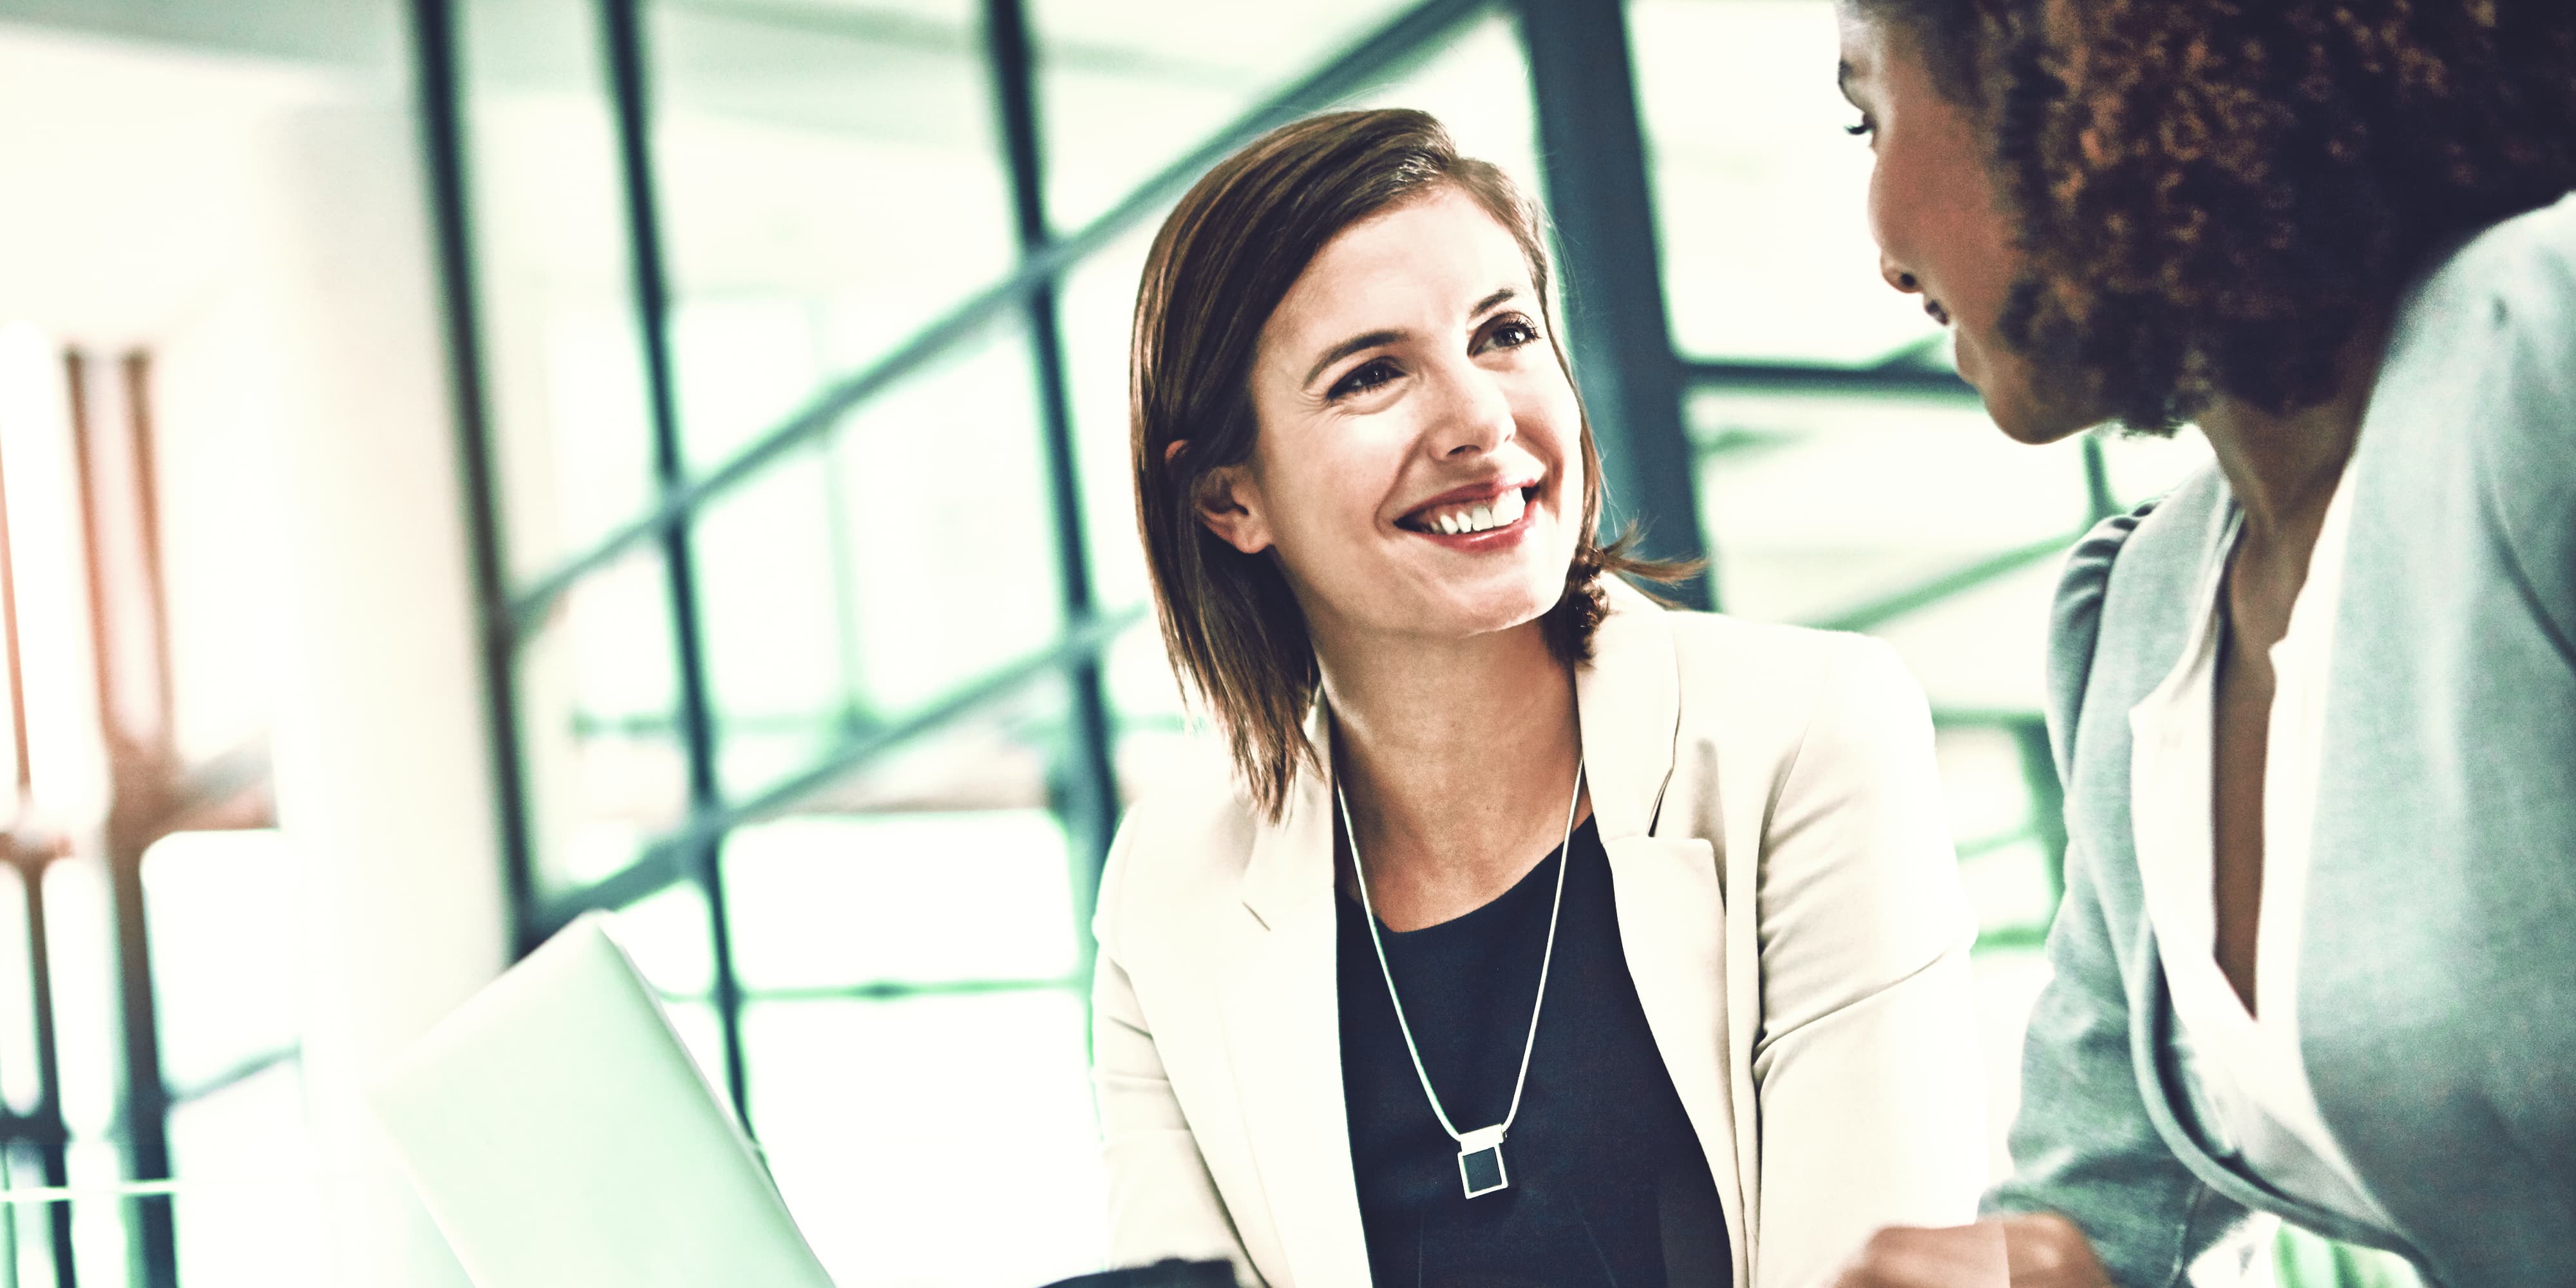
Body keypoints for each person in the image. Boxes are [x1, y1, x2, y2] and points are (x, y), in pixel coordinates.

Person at [1090, 108, 1987, 1288]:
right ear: (1228, 500)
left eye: (1504, 333)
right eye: (1371, 375)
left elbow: (1879, 1266)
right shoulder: (1171, 891)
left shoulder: (1808, 730)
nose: (1477, 421)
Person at [1826, 1, 2576, 1285]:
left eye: (1866, 118)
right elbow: (2083, 1222)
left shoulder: (2537, 349)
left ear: (2046, 79)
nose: (1882, 255)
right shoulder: (2145, 616)